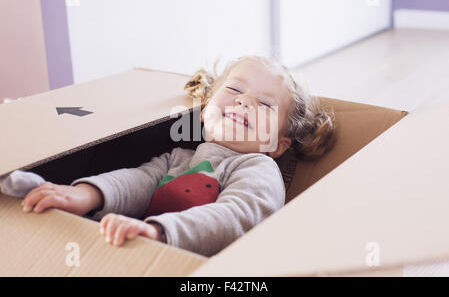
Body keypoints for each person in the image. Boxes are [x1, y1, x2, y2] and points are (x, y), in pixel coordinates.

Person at [15, 55, 336, 257]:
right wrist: (85, 194)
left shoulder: (259, 168)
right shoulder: (179, 157)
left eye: (265, 105)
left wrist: (159, 231)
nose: (243, 103)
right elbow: (138, 181)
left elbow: (235, 218)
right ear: (204, 110)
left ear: (278, 145)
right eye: (235, 91)